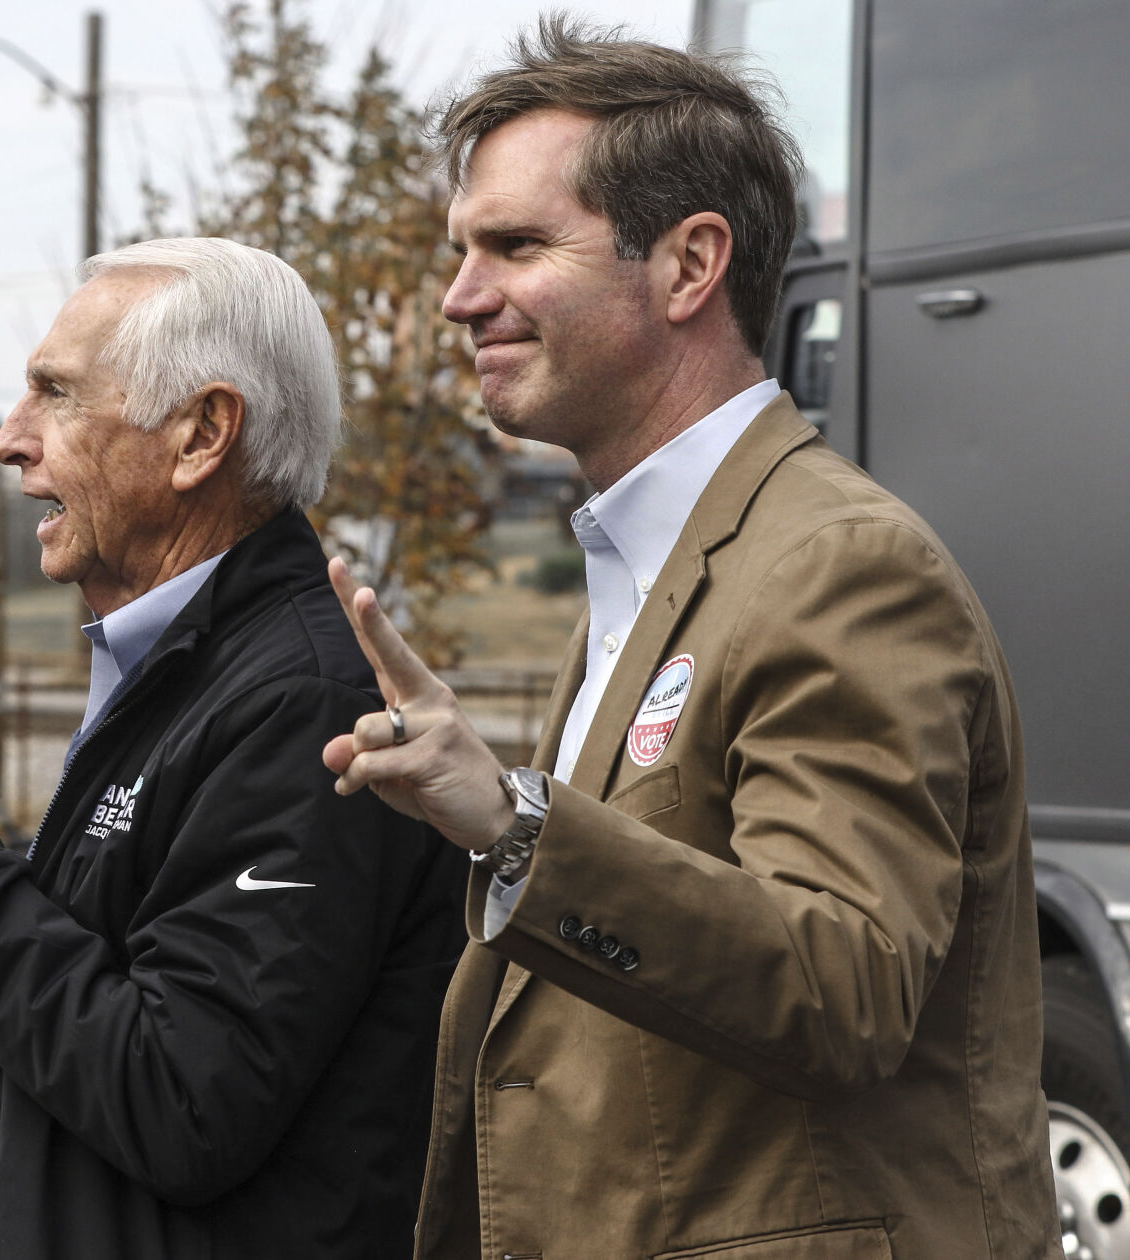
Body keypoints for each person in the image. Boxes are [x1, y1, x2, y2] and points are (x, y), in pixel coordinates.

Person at [322, 21, 1061, 1260]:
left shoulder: (837, 566)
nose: (460, 298)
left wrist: (514, 827)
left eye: (513, 245)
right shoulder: (655, 558)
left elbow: (845, 986)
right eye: (462, 254)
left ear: (687, 265)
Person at [0, 237, 466, 1260]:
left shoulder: (305, 705)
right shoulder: (191, 669)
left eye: (56, 394)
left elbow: (188, 1103)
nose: (9, 442)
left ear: (200, 435)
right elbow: (153, 999)